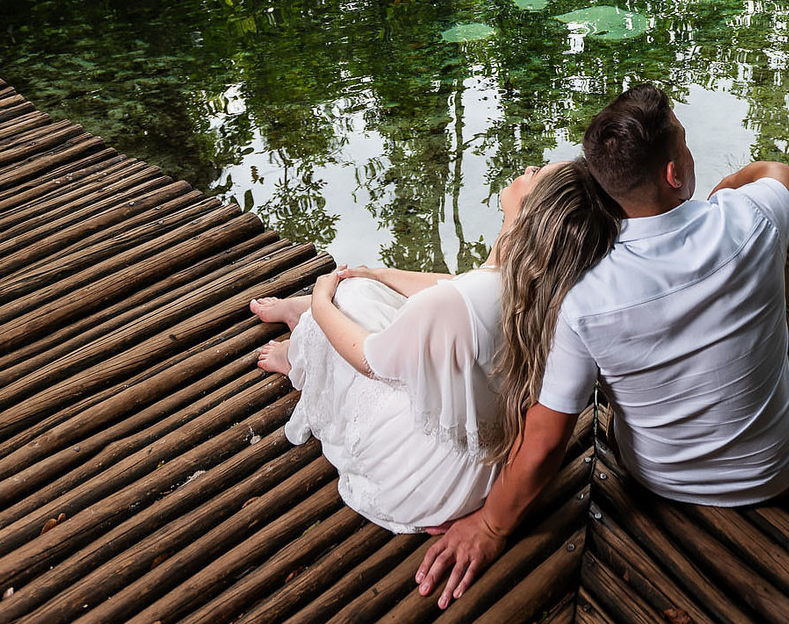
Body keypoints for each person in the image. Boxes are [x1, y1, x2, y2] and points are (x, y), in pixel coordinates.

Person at [416, 83, 789, 608]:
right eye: (684, 143)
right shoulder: (748, 219)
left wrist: (493, 528)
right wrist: (726, 190)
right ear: (674, 173)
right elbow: (781, 176)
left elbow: (545, 440)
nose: (688, 150)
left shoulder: (583, 296)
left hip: (655, 477)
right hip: (776, 468)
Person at [250, 158, 620, 535]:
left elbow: (368, 359)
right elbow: (458, 285)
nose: (526, 169)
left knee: (350, 296)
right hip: (479, 473)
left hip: (424, 477)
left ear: (532, 211)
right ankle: (313, 322)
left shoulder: (456, 305)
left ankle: (299, 350)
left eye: (536, 173)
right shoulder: (545, 290)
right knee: (371, 289)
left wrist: (320, 299)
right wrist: (381, 275)